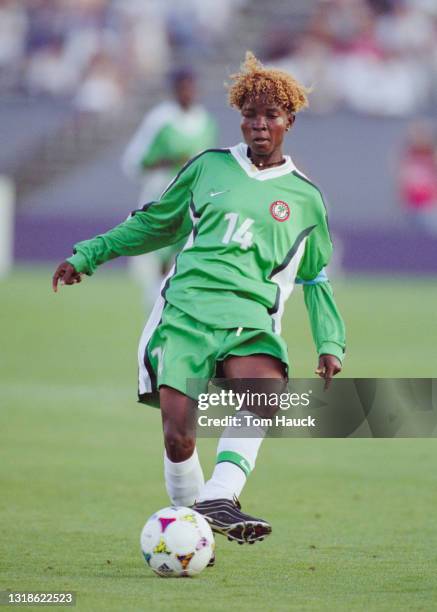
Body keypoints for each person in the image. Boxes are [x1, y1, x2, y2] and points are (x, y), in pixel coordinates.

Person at [52, 52, 345, 550]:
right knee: (178, 438)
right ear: (239, 118)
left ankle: (219, 498)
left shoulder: (305, 198)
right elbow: (154, 222)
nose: (259, 124)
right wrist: (90, 254)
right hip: (184, 313)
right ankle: (193, 533)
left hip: (249, 318)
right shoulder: (209, 167)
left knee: (266, 391)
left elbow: (315, 277)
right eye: (250, 114)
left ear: (289, 122)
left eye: (271, 116)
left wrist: (330, 341)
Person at [122, 67, 217, 304]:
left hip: (193, 197)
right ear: (174, 90)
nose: (189, 92)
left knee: (186, 254)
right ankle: (154, 306)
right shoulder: (161, 119)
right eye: (184, 87)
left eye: (192, 87)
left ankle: (177, 307)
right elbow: (134, 162)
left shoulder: (204, 121)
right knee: (161, 257)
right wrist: (171, 161)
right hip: (163, 195)